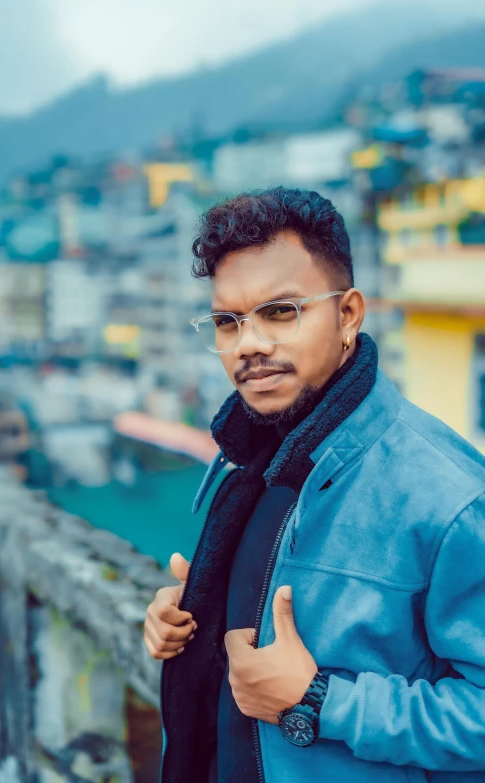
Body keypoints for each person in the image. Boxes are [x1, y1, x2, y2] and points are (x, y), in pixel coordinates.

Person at [144, 187, 485, 783]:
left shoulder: (446, 495)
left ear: (348, 313)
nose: (249, 344)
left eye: (281, 311)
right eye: (228, 321)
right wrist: (193, 611)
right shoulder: (252, 456)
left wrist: (321, 700)